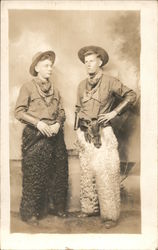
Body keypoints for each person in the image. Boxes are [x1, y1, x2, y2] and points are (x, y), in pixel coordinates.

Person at [74, 45, 136, 229]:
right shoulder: (81, 85)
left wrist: (114, 112)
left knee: (106, 173)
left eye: (92, 61)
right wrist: (77, 133)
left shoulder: (110, 81)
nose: (88, 65)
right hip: (84, 133)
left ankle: (110, 216)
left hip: (103, 132)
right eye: (86, 62)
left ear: (100, 62)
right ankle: (89, 208)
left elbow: (131, 95)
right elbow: (77, 109)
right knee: (87, 173)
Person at [15, 50, 68, 225]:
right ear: (36, 67)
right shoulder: (27, 87)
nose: (50, 69)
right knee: (34, 173)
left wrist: (58, 124)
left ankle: (58, 206)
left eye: (51, 66)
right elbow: (19, 112)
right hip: (36, 134)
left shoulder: (56, 90)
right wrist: (38, 123)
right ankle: (30, 213)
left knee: (59, 171)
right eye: (46, 66)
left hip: (55, 133)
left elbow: (61, 111)